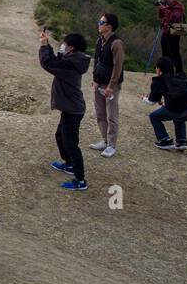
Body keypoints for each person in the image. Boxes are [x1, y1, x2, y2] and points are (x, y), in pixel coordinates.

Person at [39, 31, 91, 191]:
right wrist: (47, 44)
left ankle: (80, 180)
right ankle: (68, 164)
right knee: (60, 135)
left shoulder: (70, 65)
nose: (63, 46)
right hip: (70, 108)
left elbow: (48, 64)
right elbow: (56, 60)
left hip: (73, 110)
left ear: (72, 48)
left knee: (71, 143)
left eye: (65, 44)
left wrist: (42, 47)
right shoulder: (72, 59)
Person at [89, 11, 125, 158]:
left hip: (110, 85)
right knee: (100, 113)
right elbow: (96, 61)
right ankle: (104, 140)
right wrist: (95, 79)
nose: (99, 24)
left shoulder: (116, 43)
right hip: (99, 82)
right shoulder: (100, 40)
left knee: (112, 115)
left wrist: (111, 86)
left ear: (109, 26)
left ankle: (112, 145)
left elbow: (118, 66)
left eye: (102, 22)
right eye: (99, 22)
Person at [144, 56, 187, 150]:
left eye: (156, 67)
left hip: (178, 109)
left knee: (154, 116)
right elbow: (181, 94)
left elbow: (151, 102)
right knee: (179, 117)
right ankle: (181, 141)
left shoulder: (159, 81)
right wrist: (167, 102)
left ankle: (165, 140)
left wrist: (144, 98)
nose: (155, 70)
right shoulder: (180, 76)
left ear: (159, 69)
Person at [157, 0, 186, 74]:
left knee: (174, 52)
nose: (165, 2)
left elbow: (175, 18)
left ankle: (179, 72)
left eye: (165, 0)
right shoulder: (168, 6)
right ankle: (167, 71)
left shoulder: (179, 6)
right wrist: (160, 8)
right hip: (167, 29)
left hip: (177, 28)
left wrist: (165, 8)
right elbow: (161, 16)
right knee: (165, 51)